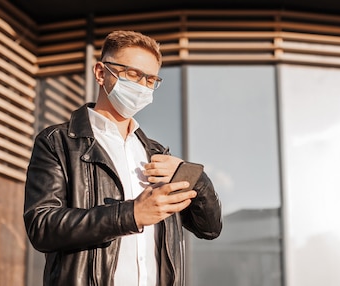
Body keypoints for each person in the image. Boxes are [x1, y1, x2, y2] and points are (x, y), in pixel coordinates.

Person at [23, 30, 222, 286]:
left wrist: (196, 178)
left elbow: (209, 228)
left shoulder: (157, 154)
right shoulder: (58, 142)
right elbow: (42, 226)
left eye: (150, 79)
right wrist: (132, 214)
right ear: (100, 72)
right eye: (132, 74)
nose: (141, 86)